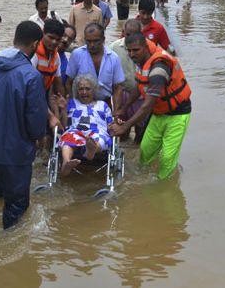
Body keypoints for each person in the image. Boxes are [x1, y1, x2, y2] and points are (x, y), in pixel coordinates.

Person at [0, 21, 47, 228]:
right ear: (35, 45)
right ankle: (6, 243)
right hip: (15, 152)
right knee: (17, 204)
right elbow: (35, 121)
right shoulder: (31, 75)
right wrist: (38, 138)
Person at [110, 33, 192, 180]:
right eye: (129, 50)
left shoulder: (159, 68)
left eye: (135, 50)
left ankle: (163, 187)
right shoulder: (142, 62)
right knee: (145, 150)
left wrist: (125, 126)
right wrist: (124, 108)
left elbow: (147, 104)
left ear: (146, 47)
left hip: (177, 115)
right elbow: (138, 87)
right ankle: (142, 178)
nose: (131, 54)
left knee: (167, 157)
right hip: (159, 113)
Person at [51, 74, 113, 177]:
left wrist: (117, 124)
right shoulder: (72, 103)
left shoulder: (102, 105)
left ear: (93, 90)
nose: (84, 92)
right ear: (77, 91)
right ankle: (66, 163)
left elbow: (110, 125)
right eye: (81, 89)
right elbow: (65, 125)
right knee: (67, 137)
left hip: (97, 131)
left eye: (87, 89)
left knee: (100, 139)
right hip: (76, 130)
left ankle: (91, 150)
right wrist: (63, 108)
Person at [65, 23, 125, 112]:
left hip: (105, 105)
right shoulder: (77, 55)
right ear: (85, 39)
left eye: (96, 41)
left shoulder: (113, 58)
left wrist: (116, 112)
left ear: (103, 39)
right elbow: (68, 83)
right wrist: (72, 104)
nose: (92, 44)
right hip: (81, 105)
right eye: (88, 41)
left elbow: (118, 88)